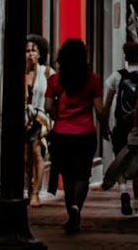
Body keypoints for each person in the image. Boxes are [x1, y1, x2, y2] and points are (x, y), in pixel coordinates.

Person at [45, 39, 104, 234]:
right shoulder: (92, 80)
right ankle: (77, 206)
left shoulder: (55, 80)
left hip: (62, 134)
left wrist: (58, 116)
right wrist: (105, 127)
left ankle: (71, 210)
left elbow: (47, 106)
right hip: (85, 134)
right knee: (83, 175)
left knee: (68, 175)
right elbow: (99, 109)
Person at [101, 40, 138, 217]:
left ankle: (123, 191)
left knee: (120, 161)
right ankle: (136, 207)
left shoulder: (116, 76)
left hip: (120, 126)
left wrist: (105, 126)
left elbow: (106, 105)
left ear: (126, 57)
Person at [24, 35, 50, 205]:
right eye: (27, 51)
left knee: (37, 152)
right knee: (26, 157)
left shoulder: (47, 73)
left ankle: (35, 193)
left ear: (40, 54)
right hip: (23, 120)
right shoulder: (20, 74)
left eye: (34, 50)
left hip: (40, 119)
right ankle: (30, 185)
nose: (30, 54)